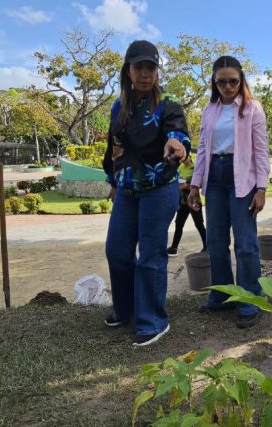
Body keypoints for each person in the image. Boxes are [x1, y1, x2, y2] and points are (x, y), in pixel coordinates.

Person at [101, 40, 190, 347]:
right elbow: (114, 147)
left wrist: (177, 145)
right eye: (139, 67)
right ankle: (125, 310)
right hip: (127, 189)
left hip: (159, 188)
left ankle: (152, 320)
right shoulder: (118, 106)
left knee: (150, 256)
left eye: (150, 68)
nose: (145, 74)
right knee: (117, 251)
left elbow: (177, 132)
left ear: (156, 71)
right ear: (128, 70)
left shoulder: (168, 103)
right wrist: (113, 181)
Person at [188, 56, 270, 328]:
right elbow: (202, 149)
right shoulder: (209, 109)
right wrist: (195, 183)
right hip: (215, 178)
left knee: (246, 243)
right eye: (221, 81)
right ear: (214, 82)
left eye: (233, 81)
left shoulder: (252, 108)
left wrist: (262, 188)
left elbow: (261, 150)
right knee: (215, 242)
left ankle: (249, 298)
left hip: (242, 178)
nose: (227, 86)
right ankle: (222, 294)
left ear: (241, 80)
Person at [167, 155, 207, 256]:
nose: (183, 160)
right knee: (179, 223)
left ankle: (207, 246)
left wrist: (187, 185)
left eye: (184, 158)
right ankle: (174, 247)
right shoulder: (180, 167)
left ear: (189, 157)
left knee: (199, 224)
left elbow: (200, 182)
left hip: (194, 200)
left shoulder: (194, 168)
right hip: (183, 202)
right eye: (181, 159)